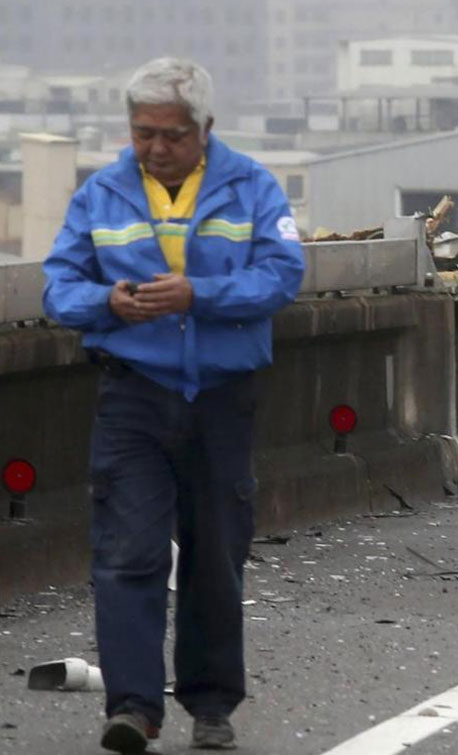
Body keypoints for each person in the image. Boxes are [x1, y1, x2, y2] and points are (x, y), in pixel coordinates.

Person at [42, 58, 304, 753]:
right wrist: (108, 302)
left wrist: (199, 295)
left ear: (204, 130)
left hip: (222, 396)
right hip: (134, 392)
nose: (156, 148)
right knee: (127, 552)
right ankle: (132, 706)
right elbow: (58, 286)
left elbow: (283, 274)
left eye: (172, 135)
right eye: (143, 133)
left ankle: (212, 703)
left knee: (216, 553)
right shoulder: (100, 194)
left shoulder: (252, 187)